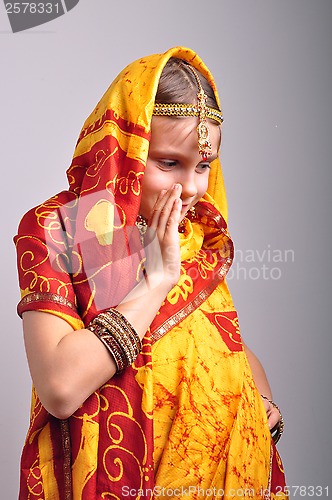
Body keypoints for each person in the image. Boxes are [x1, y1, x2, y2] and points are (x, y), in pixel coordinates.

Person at [15, 47, 287, 499]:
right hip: (119, 477)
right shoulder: (59, 229)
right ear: (126, 148)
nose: (192, 188)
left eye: (203, 166)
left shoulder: (193, 234)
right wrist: (157, 278)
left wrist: (262, 406)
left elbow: (221, 337)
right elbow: (60, 387)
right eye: (168, 163)